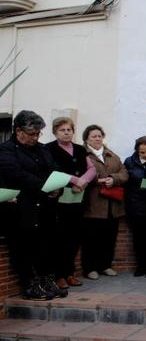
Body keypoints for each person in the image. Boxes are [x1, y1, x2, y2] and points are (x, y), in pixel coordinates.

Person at [0, 111, 66, 300]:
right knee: (23, 247)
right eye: (31, 134)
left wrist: (57, 187)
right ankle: (30, 284)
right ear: (18, 130)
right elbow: (17, 174)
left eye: (38, 134)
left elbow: (55, 169)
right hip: (20, 208)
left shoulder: (42, 149)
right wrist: (44, 187)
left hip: (44, 206)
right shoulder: (6, 150)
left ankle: (47, 280)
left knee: (46, 246)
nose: (35, 138)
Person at [46, 117, 96, 289]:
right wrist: (75, 180)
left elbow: (92, 169)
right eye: (62, 130)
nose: (66, 132)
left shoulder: (80, 149)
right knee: (60, 239)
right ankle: (58, 275)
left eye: (69, 129)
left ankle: (69, 273)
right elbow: (51, 171)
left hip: (78, 200)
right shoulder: (48, 149)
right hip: (58, 201)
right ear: (55, 132)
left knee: (75, 238)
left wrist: (82, 181)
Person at [82, 125, 129, 280]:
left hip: (113, 204)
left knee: (109, 237)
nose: (97, 139)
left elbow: (124, 173)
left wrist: (113, 179)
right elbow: (80, 175)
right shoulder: (84, 154)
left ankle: (105, 265)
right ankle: (90, 268)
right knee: (91, 238)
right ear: (86, 139)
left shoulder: (111, 155)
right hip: (93, 204)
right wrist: (98, 180)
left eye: (99, 136)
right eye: (93, 136)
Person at [123, 136, 146, 278]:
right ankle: (141, 266)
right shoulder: (129, 162)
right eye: (142, 152)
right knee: (138, 238)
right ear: (137, 151)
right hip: (135, 205)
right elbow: (127, 182)